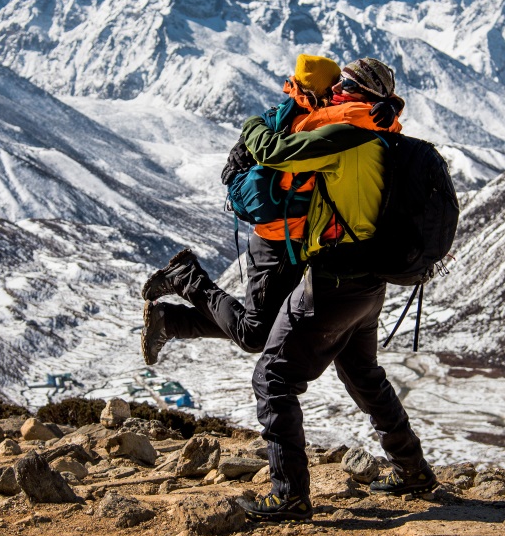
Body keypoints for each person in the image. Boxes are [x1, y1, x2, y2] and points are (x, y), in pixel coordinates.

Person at [234, 57, 435, 523]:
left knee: (273, 377)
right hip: (370, 283)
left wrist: (253, 122)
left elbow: (273, 151)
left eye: (343, 85)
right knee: (363, 374)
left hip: (334, 280)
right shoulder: (386, 132)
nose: (336, 91)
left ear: (354, 91)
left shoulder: (343, 136)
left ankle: (289, 495)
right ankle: (413, 470)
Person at [140, 55, 399, 364]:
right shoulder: (318, 120)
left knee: (267, 329)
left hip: (296, 241)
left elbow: (371, 123)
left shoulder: (332, 113)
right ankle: (185, 279)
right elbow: (282, 149)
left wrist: (390, 107)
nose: (339, 88)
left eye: (348, 85)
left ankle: (168, 321)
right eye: (338, 82)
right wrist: (386, 110)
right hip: (277, 238)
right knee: (255, 335)